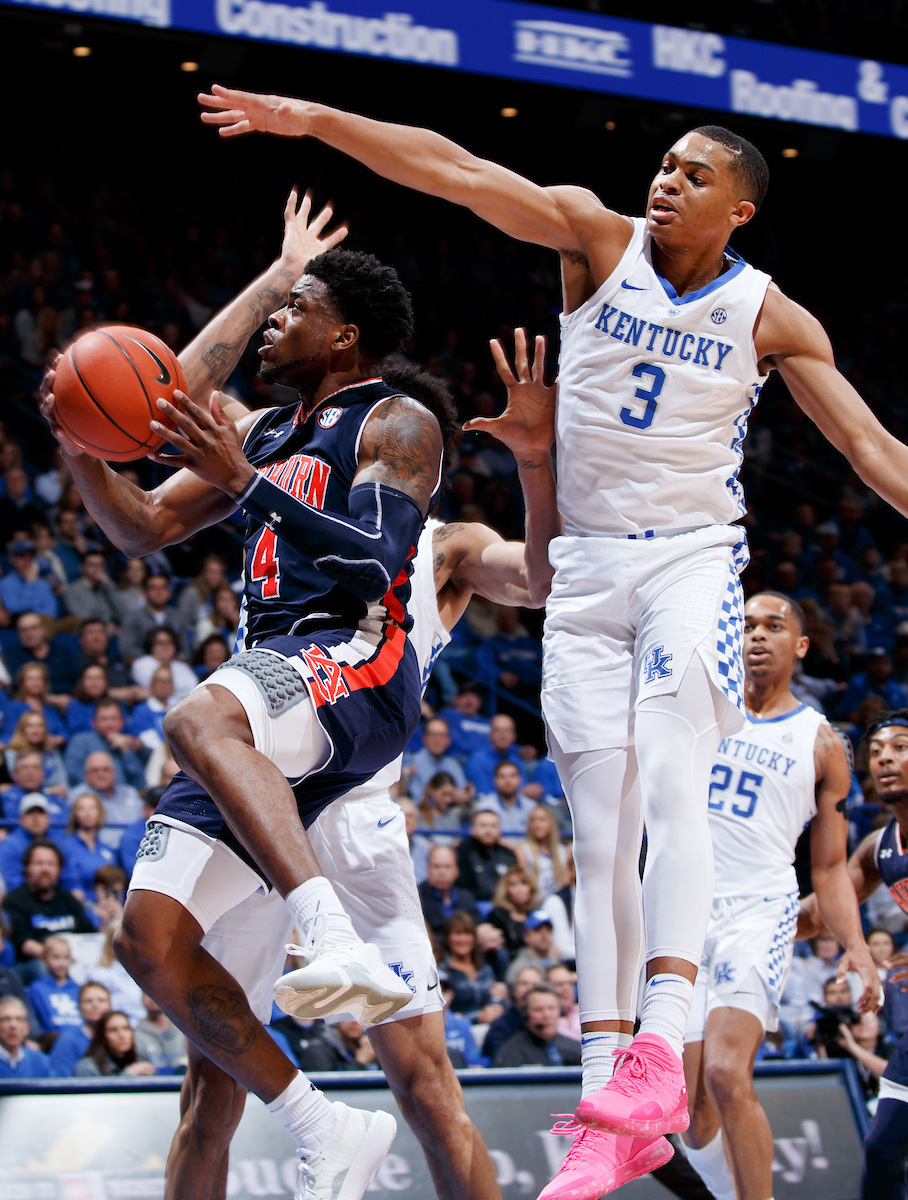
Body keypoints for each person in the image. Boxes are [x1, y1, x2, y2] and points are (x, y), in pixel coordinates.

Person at [202, 85, 908, 1194]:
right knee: (597, 828)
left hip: (687, 558)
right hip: (581, 569)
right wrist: (319, 122)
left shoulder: (769, 315)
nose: (664, 181)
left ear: (738, 212)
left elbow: (874, 455)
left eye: (691, 174)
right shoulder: (592, 234)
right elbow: (452, 166)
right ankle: (607, 1106)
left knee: (673, 776)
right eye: (663, 165)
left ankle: (655, 1053)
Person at [42, 224, 451, 1186]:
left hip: (355, 658)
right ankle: (323, 1127)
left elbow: (373, 564)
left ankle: (328, 933)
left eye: (297, 307)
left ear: (347, 334)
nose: (275, 322)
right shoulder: (265, 433)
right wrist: (80, 447)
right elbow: (143, 520)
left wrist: (244, 486)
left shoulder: (393, 423)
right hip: (274, 685)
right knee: (146, 940)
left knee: (194, 721)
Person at [681, 591, 877, 1200]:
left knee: (724, 1072)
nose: (756, 635)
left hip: (759, 911)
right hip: (681, 914)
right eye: (745, 625)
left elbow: (827, 871)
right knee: (689, 1115)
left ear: (802, 646)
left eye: (773, 626)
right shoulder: (701, 708)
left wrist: (857, 946)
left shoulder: (822, 742)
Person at [798, 710, 908, 1199]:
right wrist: (751, 919)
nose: (885, 758)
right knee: (882, 1155)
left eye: (900, 747)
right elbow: (818, 914)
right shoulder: (880, 847)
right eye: (877, 752)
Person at [2, 840, 95, 977]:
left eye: (51, 864)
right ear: (27, 868)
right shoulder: (14, 901)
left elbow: (89, 933)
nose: (45, 869)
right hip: (37, 963)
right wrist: (57, 957)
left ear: (59, 870)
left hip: (73, 959)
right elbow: (22, 942)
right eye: (39, 863)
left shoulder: (68, 900)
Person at [440, 912, 508, 1024]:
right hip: (459, 1031)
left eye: (467, 933)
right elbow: (444, 1014)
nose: (462, 939)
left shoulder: (485, 968)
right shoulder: (443, 973)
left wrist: (500, 996)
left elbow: (494, 1000)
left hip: (490, 1027)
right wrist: (478, 1017)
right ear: (448, 938)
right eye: (457, 933)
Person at [493, 984, 581, 1068]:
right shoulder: (510, 1053)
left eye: (551, 1008)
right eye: (538, 1010)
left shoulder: (577, 1049)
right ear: (526, 1014)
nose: (546, 1015)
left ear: (560, 1012)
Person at [64, 699, 145, 791]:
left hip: (121, 799)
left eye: (114, 718)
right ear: (93, 723)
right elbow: (73, 776)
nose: (109, 724)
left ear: (122, 722)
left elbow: (140, 783)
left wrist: (126, 750)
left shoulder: (126, 743)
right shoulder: (80, 741)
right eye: (104, 719)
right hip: (89, 797)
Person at [68, 752, 143, 841]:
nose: (101, 774)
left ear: (114, 772)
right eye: (95, 770)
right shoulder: (78, 795)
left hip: (133, 846)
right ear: (86, 774)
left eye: (106, 769)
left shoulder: (129, 792)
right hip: (98, 848)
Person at [118, 575, 189, 663]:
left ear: (169, 593)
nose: (158, 592)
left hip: (173, 664)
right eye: (153, 588)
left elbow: (186, 650)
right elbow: (126, 649)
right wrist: (154, 658)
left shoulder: (179, 617)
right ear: (145, 593)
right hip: (143, 664)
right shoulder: (132, 617)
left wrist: (173, 658)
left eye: (163, 587)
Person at [58, 793, 117, 897]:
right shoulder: (66, 847)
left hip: (108, 903)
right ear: (75, 814)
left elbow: (116, 882)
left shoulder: (107, 849)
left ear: (99, 813)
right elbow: (71, 884)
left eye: (92, 808)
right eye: (82, 809)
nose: (87, 813)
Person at [48, 980, 111, 1076]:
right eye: (88, 1001)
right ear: (79, 1007)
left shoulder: (119, 1038)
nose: (95, 1005)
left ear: (110, 1006)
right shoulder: (67, 1042)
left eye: (101, 1000)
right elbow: (61, 1082)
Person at [481, 966, 544, 1063]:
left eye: (535, 984)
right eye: (524, 984)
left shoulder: (550, 1022)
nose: (529, 989)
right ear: (514, 989)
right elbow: (502, 1062)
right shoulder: (500, 1026)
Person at [4, 611, 77, 694]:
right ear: (18, 634)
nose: (29, 634)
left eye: (34, 628)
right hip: (29, 703)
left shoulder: (63, 651)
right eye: (23, 630)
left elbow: (78, 680)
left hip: (67, 700)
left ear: (44, 629)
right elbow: (14, 687)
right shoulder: (12, 655)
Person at [418, 845, 481, 938]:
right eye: (436, 866)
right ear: (427, 869)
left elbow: (476, 926)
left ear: (456, 871)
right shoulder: (417, 897)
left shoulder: (467, 897)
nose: (442, 872)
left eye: (447, 867)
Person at [0, 794, 58, 892]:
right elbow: (13, 882)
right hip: (22, 900)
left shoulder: (57, 842)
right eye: (30, 813)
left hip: (54, 898)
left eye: (40, 813)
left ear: (48, 818)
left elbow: (66, 876)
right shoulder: (9, 845)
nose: (36, 818)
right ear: (21, 818)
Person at [456, 809, 518, 901]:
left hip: (504, 906)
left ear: (500, 830)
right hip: (471, 905)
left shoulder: (509, 855)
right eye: (483, 826)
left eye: (493, 826)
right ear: (472, 830)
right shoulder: (461, 854)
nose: (488, 831)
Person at [74, 1009, 156, 1076]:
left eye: (125, 1028)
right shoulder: (86, 1068)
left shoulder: (140, 1064)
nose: (121, 1035)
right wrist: (128, 1075)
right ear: (102, 1036)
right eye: (113, 1030)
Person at [26, 934, 82, 1032]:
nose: (61, 963)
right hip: (51, 1038)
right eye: (56, 957)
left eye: (66, 958)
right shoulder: (37, 988)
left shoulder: (79, 988)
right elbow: (34, 1021)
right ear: (44, 959)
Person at [0, 748, 69, 826]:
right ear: (14, 774)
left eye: (35, 767)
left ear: (43, 773)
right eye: (24, 768)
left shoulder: (57, 801)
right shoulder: (3, 800)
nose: (30, 772)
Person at [408, 718, 469, 804]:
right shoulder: (413, 762)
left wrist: (466, 794)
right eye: (432, 734)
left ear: (449, 740)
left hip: (448, 813)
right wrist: (450, 795)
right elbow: (417, 799)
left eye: (441, 735)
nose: (437, 740)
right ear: (424, 738)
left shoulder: (453, 763)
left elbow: (462, 792)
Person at [4, 711, 69, 792]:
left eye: (40, 726)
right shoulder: (11, 754)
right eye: (30, 726)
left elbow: (63, 783)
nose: (35, 730)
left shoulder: (51, 753)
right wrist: (48, 791)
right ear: (22, 729)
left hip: (52, 798)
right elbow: (17, 783)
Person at [465, 715, 526, 795]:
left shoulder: (516, 759)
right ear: (490, 735)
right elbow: (482, 793)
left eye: (507, 731)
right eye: (498, 730)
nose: (503, 736)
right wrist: (520, 792)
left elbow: (523, 785)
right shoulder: (478, 759)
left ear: (514, 736)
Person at [517, 805, 567, 898]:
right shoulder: (523, 851)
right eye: (533, 820)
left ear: (551, 823)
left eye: (542, 820)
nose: (537, 825)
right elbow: (524, 882)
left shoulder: (561, 850)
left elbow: (565, 882)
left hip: (557, 900)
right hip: (534, 901)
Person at [0, 540, 58, 619]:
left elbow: (52, 609)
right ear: (12, 559)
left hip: (44, 623)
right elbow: (15, 609)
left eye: (30, 557)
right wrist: (30, 584)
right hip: (23, 624)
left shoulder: (42, 582)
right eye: (21, 556)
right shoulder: (5, 583)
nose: (27, 560)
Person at [488, 865, 538, 957]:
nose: (519, 889)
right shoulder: (497, 916)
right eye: (513, 885)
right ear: (506, 890)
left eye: (524, 883)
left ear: (531, 888)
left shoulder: (536, 915)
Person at [476, 763, 535, 839]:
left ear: (520, 779)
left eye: (512, 776)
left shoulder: (532, 807)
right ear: (495, 781)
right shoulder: (483, 807)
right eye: (502, 776)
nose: (508, 781)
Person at [134, 992, 188, 1074]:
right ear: (141, 998)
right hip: (150, 1085)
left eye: (156, 991)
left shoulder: (185, 1029)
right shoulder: (135, 1034)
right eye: (146, 992)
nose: (152, 996)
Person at [0, 995, 52, 1079]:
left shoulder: (39, 1060)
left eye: (19, 1019)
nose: (13, 1025)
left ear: (26, 1028)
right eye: (6, 1019)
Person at [298, 1019, 378, 1073]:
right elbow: (331, 1091)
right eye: (348, 1015)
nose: (354, 1021)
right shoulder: (316, 1051)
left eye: (360, 1016)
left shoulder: (369, 1045)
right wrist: (361, 1061)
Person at [63, 551, 120, 625]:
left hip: (111, 629)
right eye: (92, 565)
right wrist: (106, 626)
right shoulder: (71, 591)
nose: (97, 569)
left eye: (100, 565)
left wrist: (108, 584)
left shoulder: (107, 587)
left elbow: (122, 611)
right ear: (81, 567)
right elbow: (81, 618)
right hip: (90, 631)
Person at [506, 911, 563, 984]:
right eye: (538, 930)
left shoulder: (555, 961)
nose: (544, 935)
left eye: (548, 930)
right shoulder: (519, 967)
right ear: (526, 936)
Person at [438, 687, 491, 760]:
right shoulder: (448, 715)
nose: (469, 700)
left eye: (474, 696)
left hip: (486, 761)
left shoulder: (487, 721)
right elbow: (456, 743)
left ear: (479, 702)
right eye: (465, 695)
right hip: (460, 759)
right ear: (456, 699)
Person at [66, 664, 114, 736]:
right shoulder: (74, 705)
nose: (94, 683)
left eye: (99, 678)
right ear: (82, 682)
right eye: (89, 678)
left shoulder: (114, 704)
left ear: (106, 681)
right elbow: (76, 733)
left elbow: (125, 728)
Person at [549, 964, 582, 1042]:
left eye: (570, 984)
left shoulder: (583, 1012)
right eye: (559, 984)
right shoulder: (546, 1018)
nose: (566, 989)